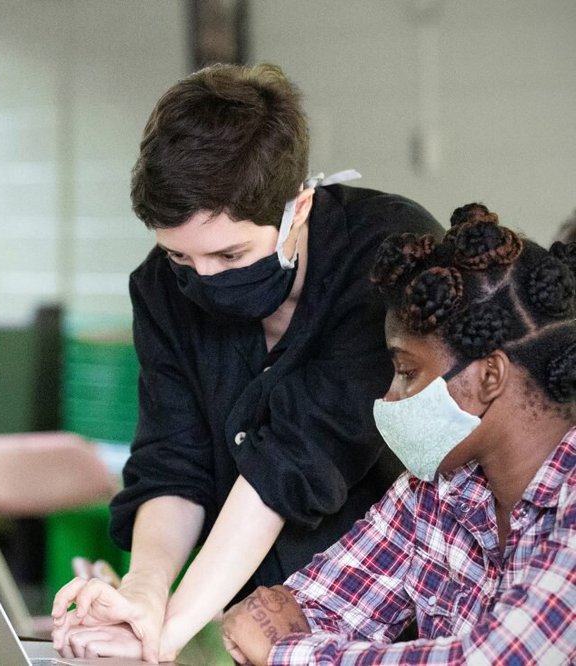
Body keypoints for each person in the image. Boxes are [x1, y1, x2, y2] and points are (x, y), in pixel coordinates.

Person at [51, 63, 444, 662]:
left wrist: (166, 629)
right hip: (241, 616)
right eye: (181, 257)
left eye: (230, 254)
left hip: (388, 610)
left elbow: (295, 459)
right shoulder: (160, 288)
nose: (203, 280)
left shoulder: (385, 254)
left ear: (299, 209)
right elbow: (172, 463)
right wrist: (144, 594)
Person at [221, 204, 576, 664]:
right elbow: (313, 606)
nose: (390, 398)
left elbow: (494, 659)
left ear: (489, 377)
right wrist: (294, 641)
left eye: (407, 371)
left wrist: (289, 652)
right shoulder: (433, 489)